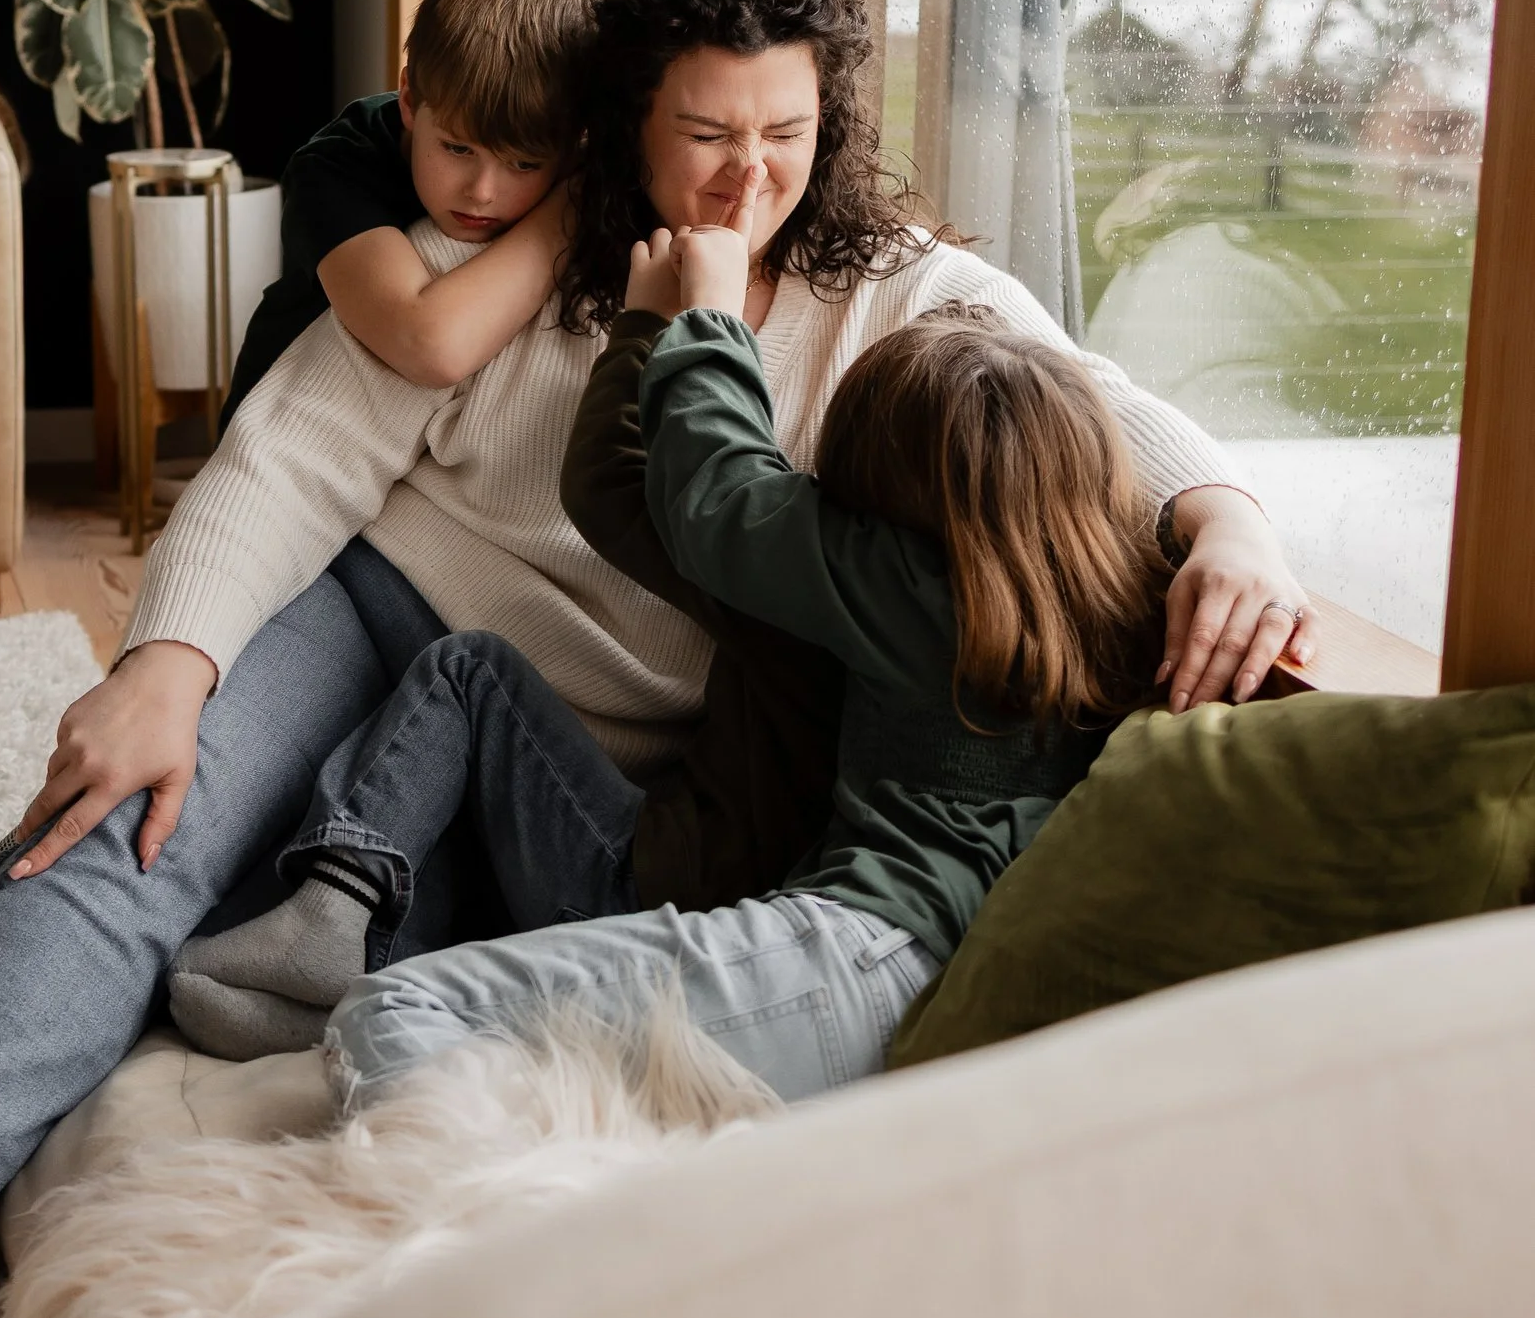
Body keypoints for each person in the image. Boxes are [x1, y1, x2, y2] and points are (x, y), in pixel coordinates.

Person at [0, 0, 1308, 1318]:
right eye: (707, 133)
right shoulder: (499, 265)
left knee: (244, 935)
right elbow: (291, 458)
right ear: (629, 122)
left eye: (787, 130)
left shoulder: (897, 294)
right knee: (143, 819)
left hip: (597, 765)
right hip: (390, 612)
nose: (749, 173)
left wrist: (1228, 520)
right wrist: (169, 663)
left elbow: (1094, 401)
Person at [307, 245, 1176, 1108]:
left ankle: (338, 930)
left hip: (846, 950)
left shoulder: (874, 581)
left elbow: (708, 487)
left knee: (389, 1007)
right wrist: (1221, 523)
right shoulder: (1130, 604)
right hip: (965, 977)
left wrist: (698, 314)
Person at [221, 0, 591, 421]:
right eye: (458, 149)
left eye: (523, 163)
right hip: (281, 427)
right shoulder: (335, 168)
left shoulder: (563, 145)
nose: (482, 191)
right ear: (410, 101)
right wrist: (572, 206)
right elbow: (431, 347)